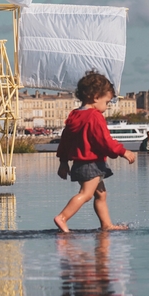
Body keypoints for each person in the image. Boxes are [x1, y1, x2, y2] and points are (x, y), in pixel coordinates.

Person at [54, 70, 136, 232]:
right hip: (91, 163)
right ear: (95, 97)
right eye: (107, 102)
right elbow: (104, 141)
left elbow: (65, 140)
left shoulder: (75, 115)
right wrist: (123, 152)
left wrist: (63, 162)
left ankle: (106, 225)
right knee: (86, 194)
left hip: (80, 163)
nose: (107, 107)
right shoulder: (94, 116)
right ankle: (62, 217)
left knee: (101, 194)